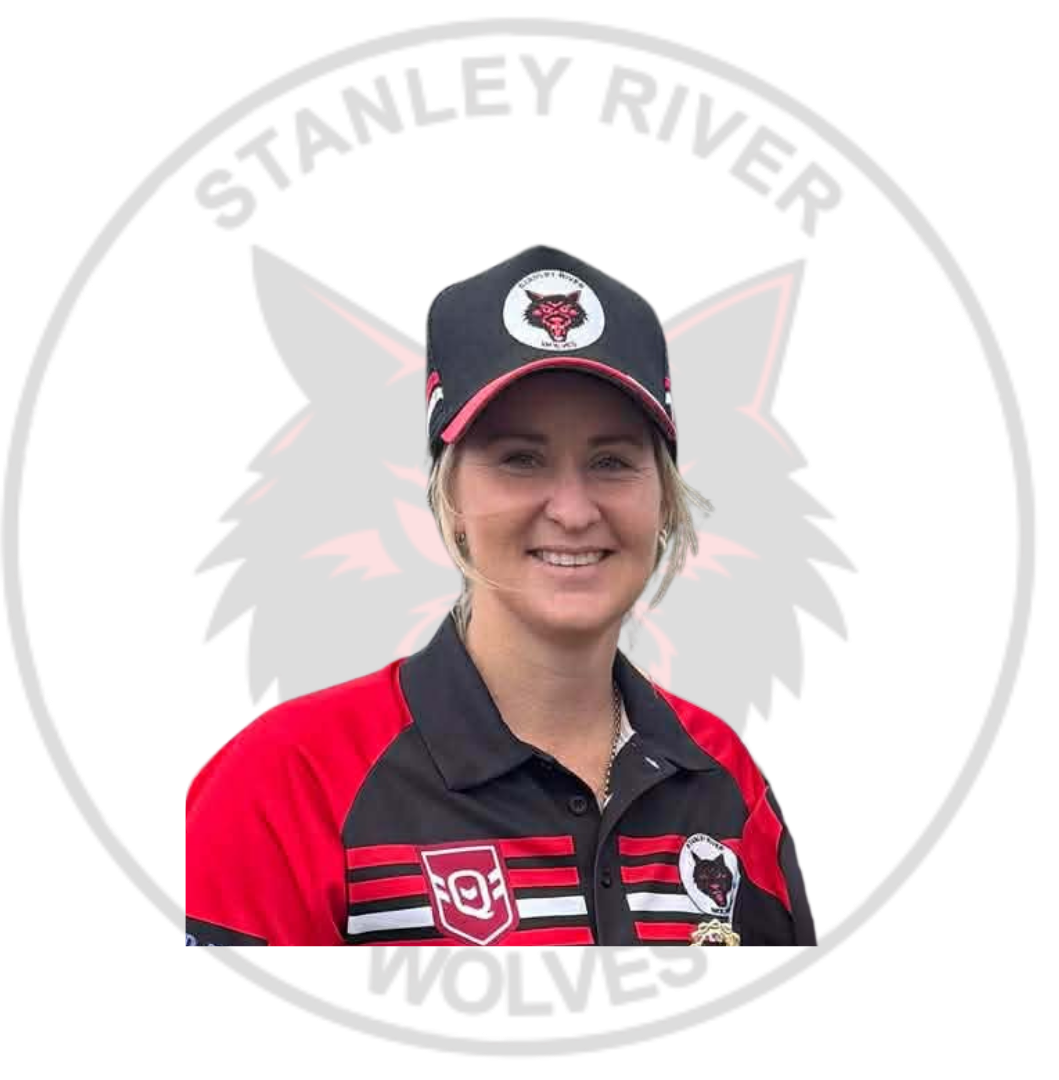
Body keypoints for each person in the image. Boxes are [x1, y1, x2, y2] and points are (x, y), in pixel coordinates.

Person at [185, 244, 817, 948]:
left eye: (612, 461)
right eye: (521, 459)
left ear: (664, 502)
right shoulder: (281, 783)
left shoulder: (723, 771)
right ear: (447, 498)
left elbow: (786, 1034)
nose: (574, 511)